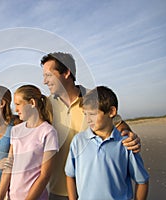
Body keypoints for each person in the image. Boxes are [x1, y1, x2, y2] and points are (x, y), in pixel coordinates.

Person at [41, 52, 142, 199]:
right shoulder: (46, 106)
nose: (44, 81)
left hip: (94, 192)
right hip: (57, 190)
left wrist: (129, 137)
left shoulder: (93, 98)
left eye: (49, 75)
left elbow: (119, 125)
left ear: (67, 73)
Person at [65, 86, 149, 199]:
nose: (88, 119)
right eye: (85, 114)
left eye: (93, 114)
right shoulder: (78, 141)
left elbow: (142, 181)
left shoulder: (126, 144)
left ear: (111, 112)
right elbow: (70, 175)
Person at [0, 85, 59, 200]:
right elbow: (8, 167)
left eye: (18, 104)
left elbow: (45, 175)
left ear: (32, 103)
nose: (15, 109)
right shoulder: (15, 130)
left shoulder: (48, 132)